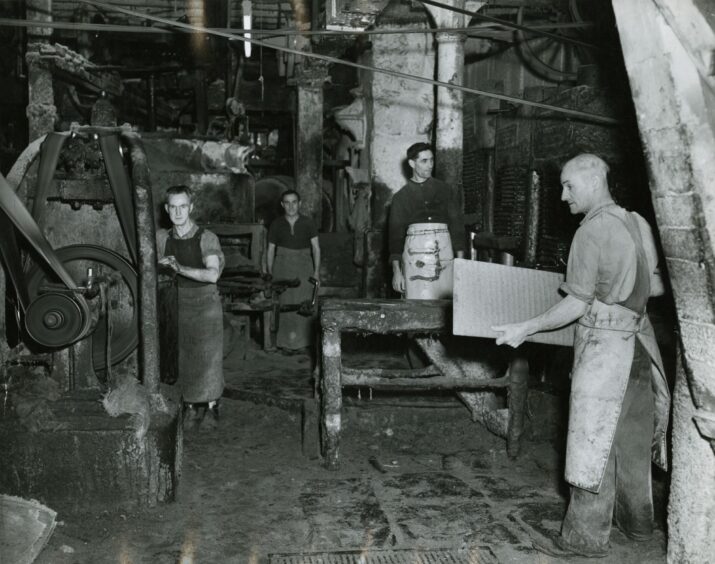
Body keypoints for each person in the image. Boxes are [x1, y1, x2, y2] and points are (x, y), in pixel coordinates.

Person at [492, 154, 671, 558]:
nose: (562, 195)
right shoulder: (638, 222)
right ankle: (638, 527)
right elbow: (657, 285)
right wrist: (622, 297)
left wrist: (526, 327)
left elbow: (574, 305)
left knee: (591, 442)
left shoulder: (590, 232)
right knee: (632, 441)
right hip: (641, 346)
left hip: (605, 350)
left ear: (592, 182)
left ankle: (583, 539)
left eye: (568, 185)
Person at [156, 185, 225, 430]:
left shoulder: (206, 238)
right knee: (182, 358)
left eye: (182, 206)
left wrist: (180, 268)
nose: (178, 212)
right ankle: (188, 407)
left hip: (205, 305)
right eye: (173, 207)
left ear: (191, 208)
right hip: (175, 304)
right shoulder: (161, 238)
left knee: (208, 359)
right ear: (166, 209)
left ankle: (211, 408)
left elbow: (213, 275)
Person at [389, 142, 465, 298]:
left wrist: (462, 265)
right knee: (417, 302)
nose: (430, 165)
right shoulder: (400, 197)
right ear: (412, 163)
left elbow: (457, 227)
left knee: (446, 305)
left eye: (431, 160)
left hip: (444, 251)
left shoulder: (445, 190)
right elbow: (395, 237)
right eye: (424, 161)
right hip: (414, 256)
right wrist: (397, 272)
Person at [266, 189, 320, 352]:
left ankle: (304, 343)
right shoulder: (276, 224)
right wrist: (270, 273)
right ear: (282, 205)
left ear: (300, 204)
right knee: (284, 303)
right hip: (282, 265)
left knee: (304, 302)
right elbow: (270, 250)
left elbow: (316, 248)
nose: (291, 206)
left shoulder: (308, 223)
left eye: (294, 202)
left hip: (304, 265)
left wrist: (316, 271)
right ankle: (286, 344)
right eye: (287, 203)